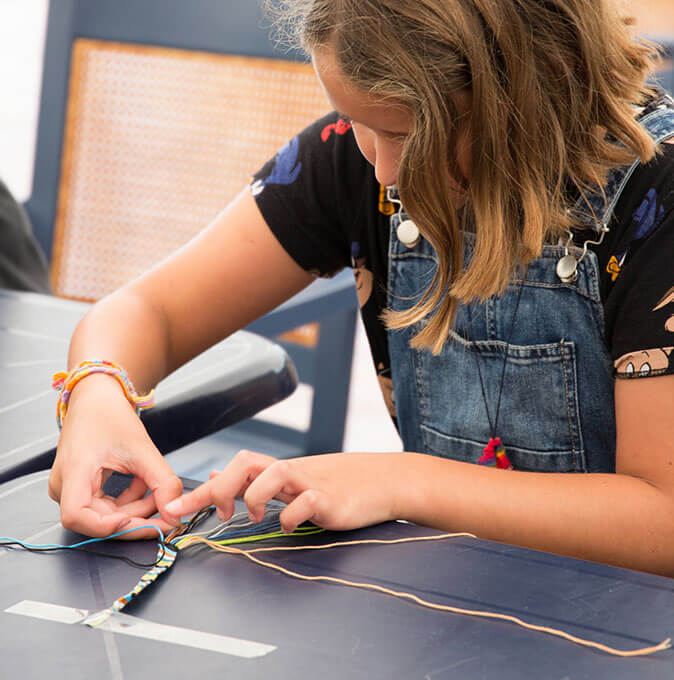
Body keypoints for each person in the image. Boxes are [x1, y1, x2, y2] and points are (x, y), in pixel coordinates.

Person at [49, 0, 674, 576]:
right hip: (452, 599)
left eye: (405, 135)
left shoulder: (658, 199)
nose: (381, 168)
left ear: (523, 94)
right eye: (357, 122)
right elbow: (148, 309)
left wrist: (400, 482)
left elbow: (661, 520)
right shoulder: (352, 159)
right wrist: (98, 394)